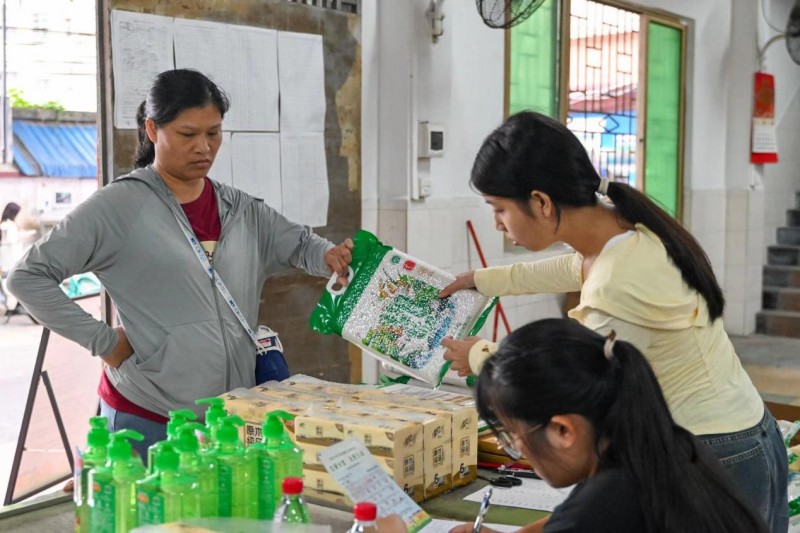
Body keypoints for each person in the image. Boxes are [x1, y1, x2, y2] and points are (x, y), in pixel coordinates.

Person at [438, 111, 787, 531]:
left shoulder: (615, 286)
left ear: (541, 202)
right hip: (749, 430)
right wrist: (481, 280)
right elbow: (572, 267)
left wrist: (478, 355)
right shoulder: (628, 232)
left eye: (499, 208)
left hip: (713, 449)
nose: (496, 222)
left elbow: (563, 381)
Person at [7, 69, 353, 461]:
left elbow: (302, 243)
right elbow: (27, 277)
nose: (204, 147)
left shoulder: (240, 209)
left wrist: (329, 256)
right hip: (149, 416)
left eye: (214, 133)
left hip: (229, 418)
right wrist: (104, 342)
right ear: (153, 130)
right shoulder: (119, 207)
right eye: (188, 135)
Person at [448, 319, 769, 533]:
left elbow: (587, 519)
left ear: (564, 431)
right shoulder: (670, 444)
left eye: (512, 435)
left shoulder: (602, 507)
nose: (516, 448)